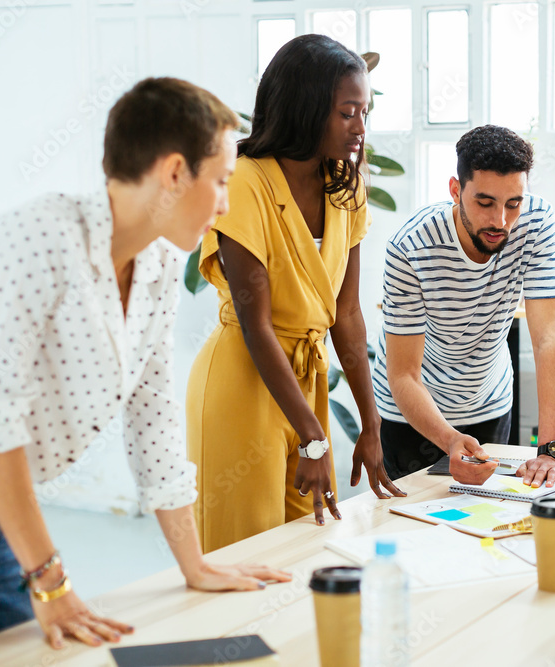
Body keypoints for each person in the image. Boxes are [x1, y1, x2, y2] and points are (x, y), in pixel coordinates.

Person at [0, 77, 292, 649]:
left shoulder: (160, 264)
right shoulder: (36, 242)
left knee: (21, 649)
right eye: (220, 181)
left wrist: (195, 564)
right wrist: (49, 578)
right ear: (172, 173)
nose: (225, 203)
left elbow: (154, 415)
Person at [186, 34, 403, 555]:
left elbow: (347, 315)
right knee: (244, 559)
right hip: (242, 383)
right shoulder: (243, 183)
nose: (361, 127)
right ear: (307, 109)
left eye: (364, 112)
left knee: (303, 551)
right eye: (348, 112)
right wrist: (314, 438)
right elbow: (256, 322)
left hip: (306, 384)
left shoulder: (345, 188)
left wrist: (371, 424)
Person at [371, 124, 555, 487]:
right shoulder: (410, 247)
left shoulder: (537, 222)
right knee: (414, 530)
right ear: (455, 190)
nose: (500, 221)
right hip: (412, 415)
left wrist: (552, 450)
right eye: (484, 203)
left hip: (490, 402)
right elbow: (403, 374)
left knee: (492, 521)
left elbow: (549, 340)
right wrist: (448, 439)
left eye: (513, 203)